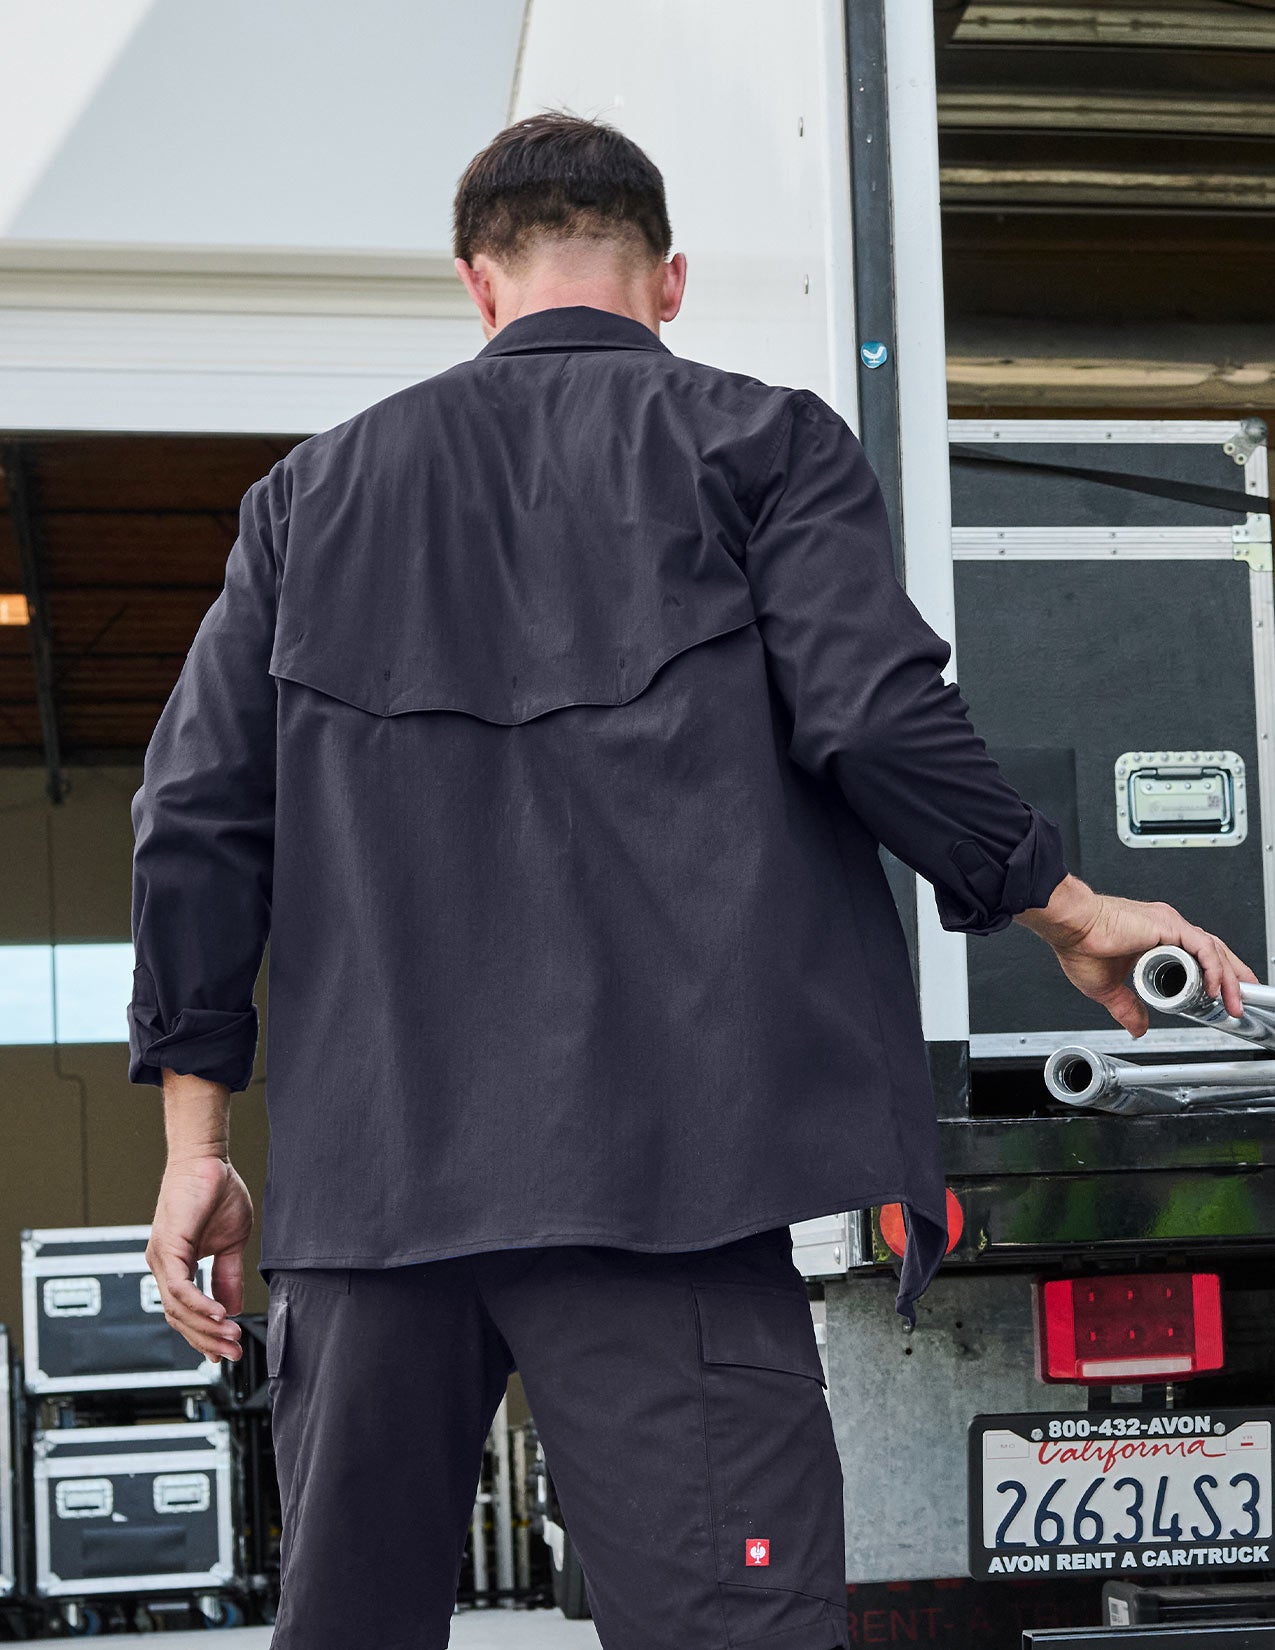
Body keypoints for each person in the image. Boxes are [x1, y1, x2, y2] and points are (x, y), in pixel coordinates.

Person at [127, 112, 1257, 1650]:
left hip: (374, 1198)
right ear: (667, 280)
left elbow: (191, 816)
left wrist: (198, 1136)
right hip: (667, 1185)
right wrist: (1065, 906)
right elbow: (874, 713)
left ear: (478, 285)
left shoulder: (307, 503)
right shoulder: (759, 443)